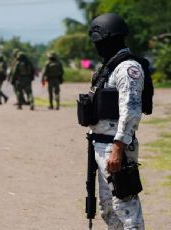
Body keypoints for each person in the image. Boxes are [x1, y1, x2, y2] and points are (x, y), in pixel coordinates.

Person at [87, 13, 146, 229]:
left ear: (111, 39)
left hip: (116, 146)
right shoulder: (110, 67)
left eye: (100, 42)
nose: (98, 47)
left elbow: (131, 111)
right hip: (101, 145)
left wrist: (118, 149)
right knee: (108, 208)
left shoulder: (128, 69)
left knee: (126, 208)